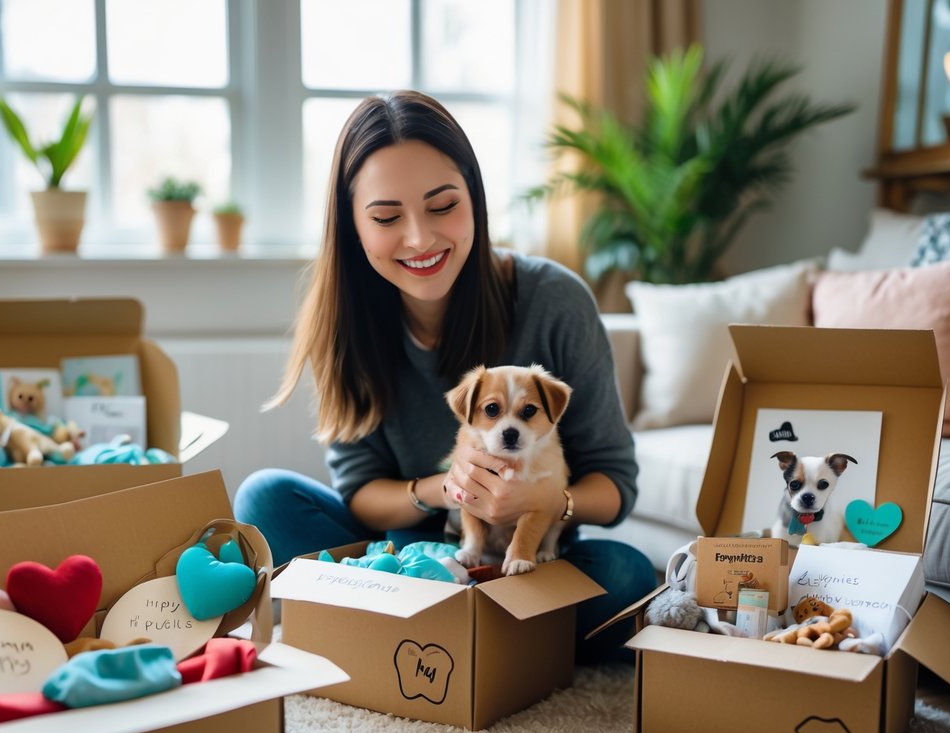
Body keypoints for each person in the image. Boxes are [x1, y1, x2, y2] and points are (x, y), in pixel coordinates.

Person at [234, 90, 656, 662]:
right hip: (405, 548)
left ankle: (421, 621)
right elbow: (360, 494)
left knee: (627, 577)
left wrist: (543, 499)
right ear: (353, 227)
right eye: (386, 217)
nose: (419, 238)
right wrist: (450, 490)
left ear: (476, 200)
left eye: (442, 206)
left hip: (528, 556)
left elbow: (616, 486)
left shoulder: (554, 300)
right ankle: (479, 624)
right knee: (264, 502)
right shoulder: (345, 323)